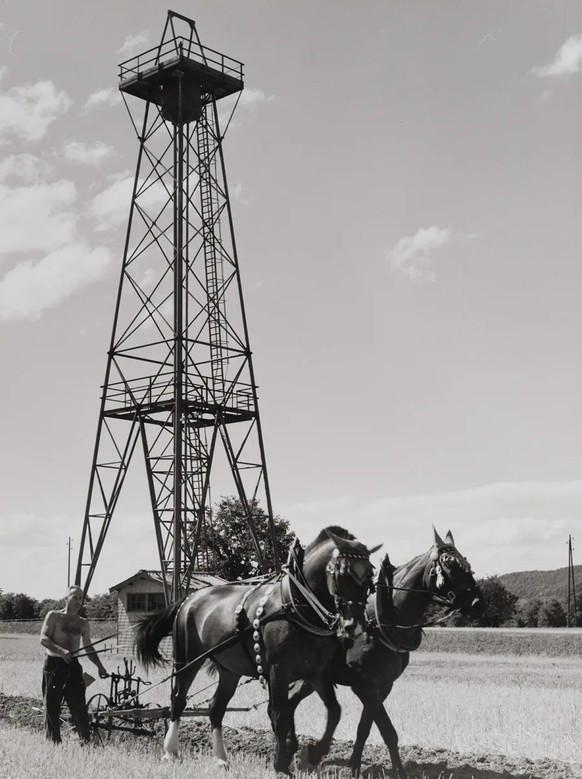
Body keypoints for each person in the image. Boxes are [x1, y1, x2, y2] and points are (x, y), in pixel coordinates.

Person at [40, 585, 109, 744]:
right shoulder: (54, 616)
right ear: (67, 598)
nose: (78, 601)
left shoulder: (83, 623)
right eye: (74, 597)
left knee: (79, 705)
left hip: (73, 665)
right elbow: (43, 638)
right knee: (52, 705)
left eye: (80, 598)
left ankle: (86, 741)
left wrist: (100, 666)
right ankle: (54, 743)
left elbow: (89, 647)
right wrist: (60, 651)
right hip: (54, 664)